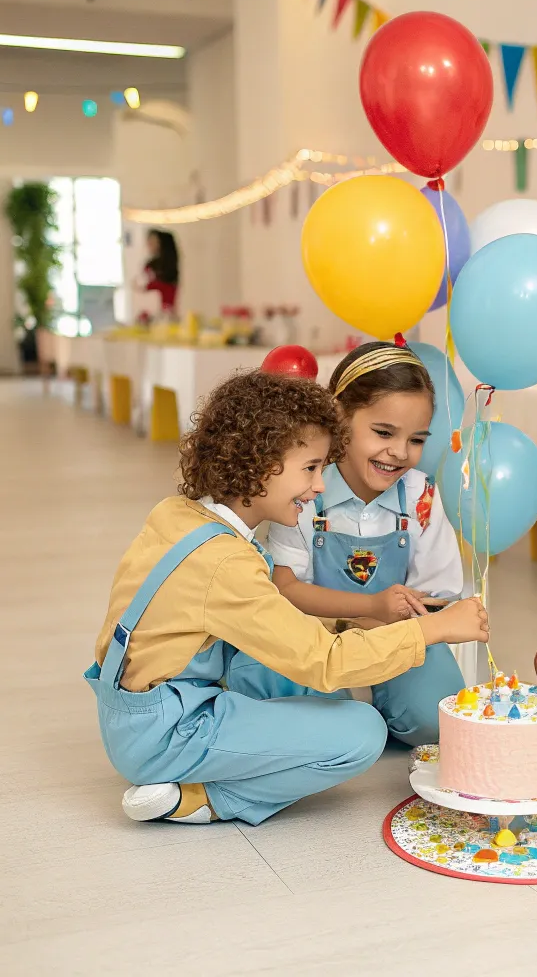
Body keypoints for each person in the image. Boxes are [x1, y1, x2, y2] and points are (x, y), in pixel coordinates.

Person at [84, 370, 488, 826]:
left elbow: (280, 626)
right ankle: (207, 799)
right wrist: (433, 627)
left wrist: (352, 624)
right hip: (166, 733)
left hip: (134, 713)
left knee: (310, 687)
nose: (319, 486)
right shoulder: (225, 565)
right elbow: (327, 662)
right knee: (361, 733)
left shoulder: (179, 515)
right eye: (311, 468)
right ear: (259, 464)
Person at [268, 338, 474, 698]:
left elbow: (437, 595)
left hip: (399, 639)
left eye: (416, 440)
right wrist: (366, 612)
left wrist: (384, 632)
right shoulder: (300, 492)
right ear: (339, 417)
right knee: (310, 705)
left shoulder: (421, 495)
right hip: (316, 640)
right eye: (383, 433)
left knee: (432, 714)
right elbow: (285, 591)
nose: (399, 453)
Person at [138, 229, 179, 316]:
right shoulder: (150, 266)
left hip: (165, 312)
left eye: (152, 242)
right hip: (154, 312)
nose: (148, 245)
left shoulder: (167, 269)